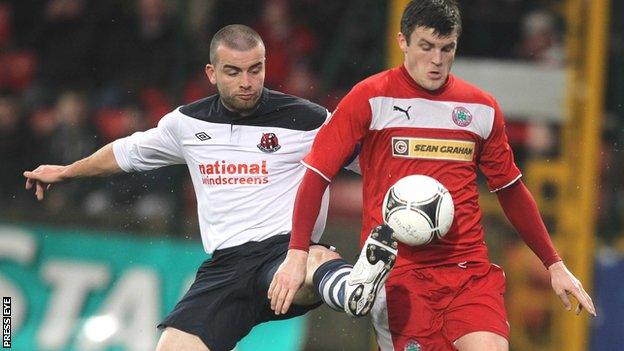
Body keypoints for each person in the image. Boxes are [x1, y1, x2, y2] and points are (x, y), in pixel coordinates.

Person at [23, 24, 397, 351]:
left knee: (312, 261)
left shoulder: (308, 119)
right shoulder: (187, 123)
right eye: (233, 72)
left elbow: (375, 165)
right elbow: (125, 153)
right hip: (224, 268)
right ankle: (346, 287)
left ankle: (352, 290)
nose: (247, 82)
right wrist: (67, 171)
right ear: (211, 72)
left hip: (285, 252)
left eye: (255, 70)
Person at [269, 1, 597, 350]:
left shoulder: (480, 108)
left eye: (447, 48)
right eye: (426, 47)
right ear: (403, 42)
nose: (437, 60)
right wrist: (297, 252)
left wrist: (554, 264)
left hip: (467, 270)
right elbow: (317, 174)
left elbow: (511, 189)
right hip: (397, 273)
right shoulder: (369, 98)